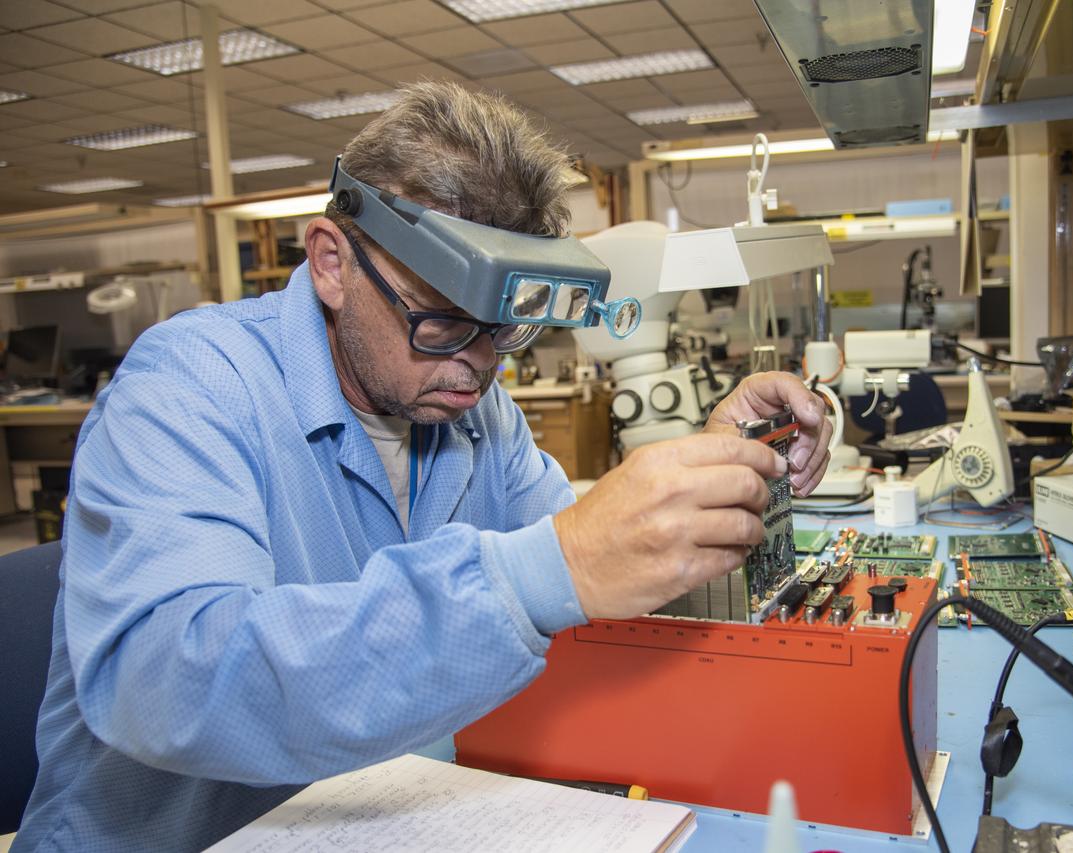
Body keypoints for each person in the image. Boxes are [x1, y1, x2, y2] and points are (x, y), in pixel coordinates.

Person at [13, 80, 831, 852]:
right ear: (332, 262)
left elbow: (598, 579)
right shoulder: (190, 388)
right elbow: (169, 681)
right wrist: (547, 568)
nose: (476, 365)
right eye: (441, 321)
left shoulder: (476, 413)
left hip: (374, 814)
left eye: (504, 331)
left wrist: (715, 481)